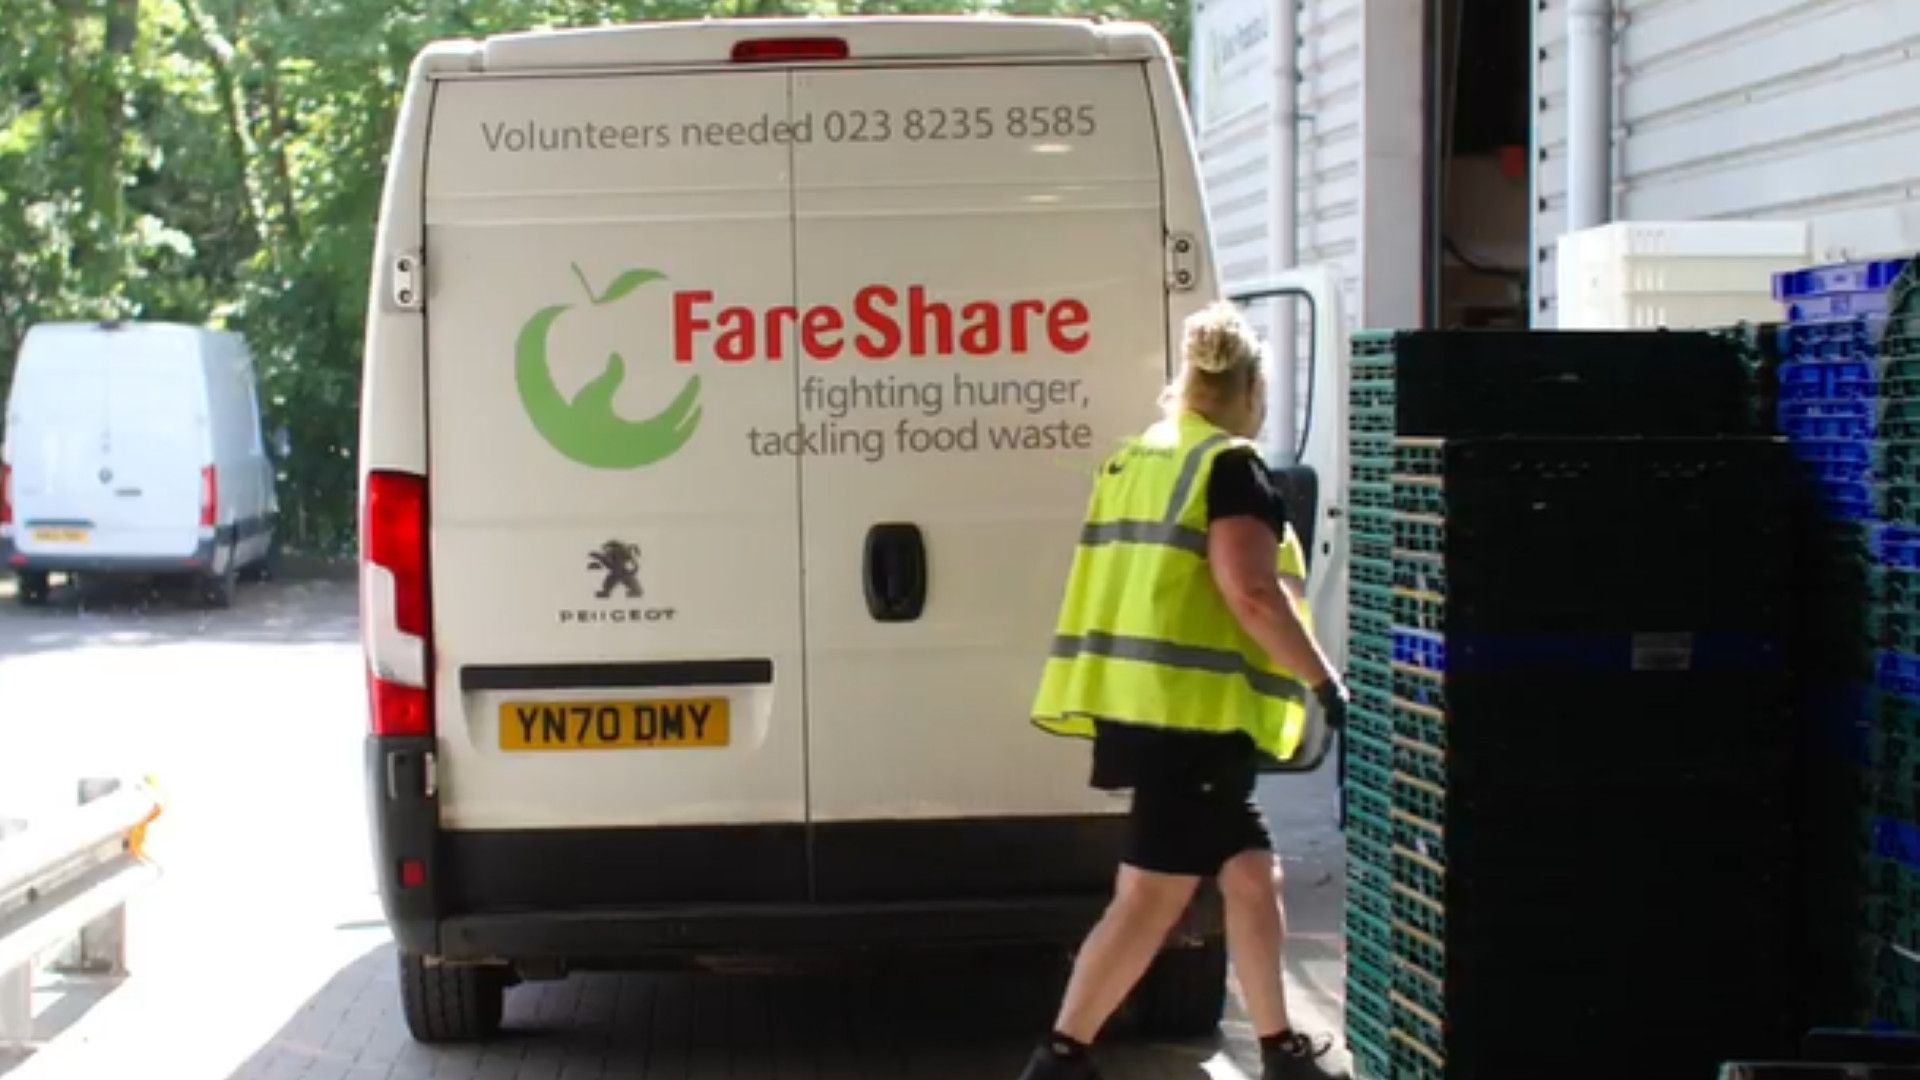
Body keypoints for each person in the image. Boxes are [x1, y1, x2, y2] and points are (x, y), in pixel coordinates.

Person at [1020, 301, 1351, 1080]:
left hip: (1147, 708)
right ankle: (1061, 1057)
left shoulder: (1139, 457)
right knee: (1151, 897)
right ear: (1248, 387)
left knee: (1245, 871)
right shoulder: (1228, 466)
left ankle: (1279, 1050)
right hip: (1190, 717)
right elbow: (1253, 593)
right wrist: (1324, 682)